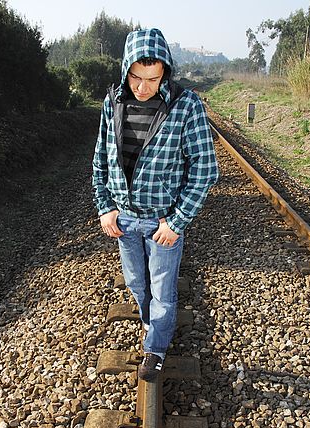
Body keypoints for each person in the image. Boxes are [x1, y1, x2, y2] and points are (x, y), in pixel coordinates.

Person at [92, 28, 219, 382]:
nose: (143, 87)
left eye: (153, 78)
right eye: (136, 77)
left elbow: (206, 170)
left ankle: (156, 349)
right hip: (125, 220)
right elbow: (100, 159)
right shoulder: (111, 102)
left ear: (165, 71)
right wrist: (105, 206)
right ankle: (151, 325)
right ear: (125, 69)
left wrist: (177, 222)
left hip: (163, 222)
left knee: (163, 288)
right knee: (136, 283)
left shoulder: (186, 105)